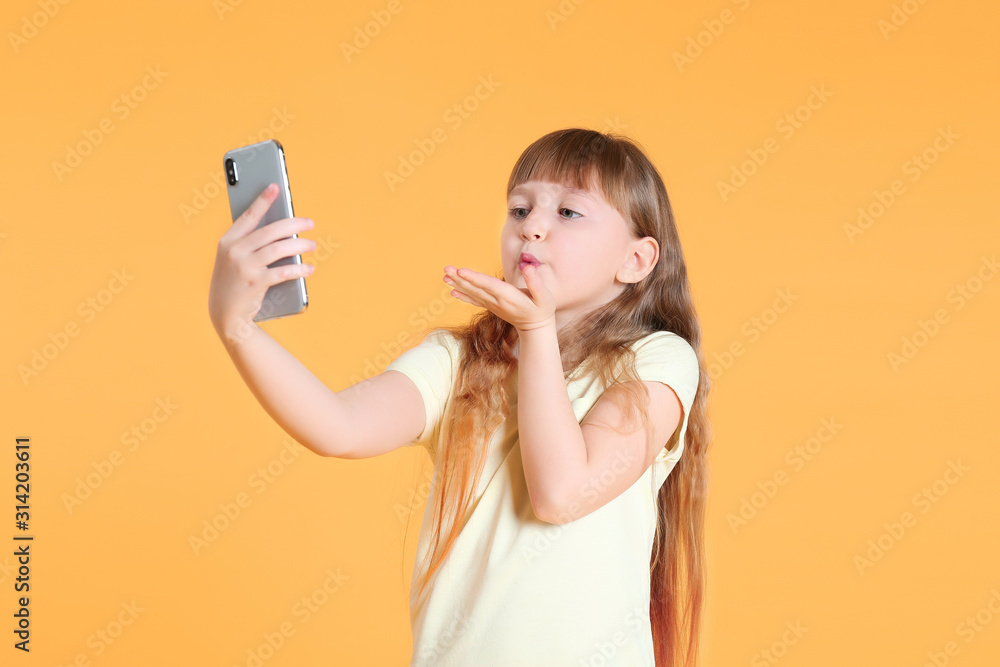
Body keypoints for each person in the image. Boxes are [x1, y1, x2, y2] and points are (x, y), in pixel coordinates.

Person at [208, 127, 712, 667]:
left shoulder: (657, 361)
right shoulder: (459, 361)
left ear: (636, 261)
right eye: (520, 210)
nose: (533, 227)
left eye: (568, 213)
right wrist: (236, 326)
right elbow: (338, 427)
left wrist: (536, 332)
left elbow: (562, 493)